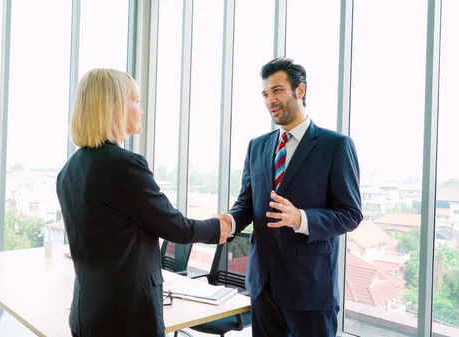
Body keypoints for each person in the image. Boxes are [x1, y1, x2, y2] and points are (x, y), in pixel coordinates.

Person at [56, 68, 231, 337]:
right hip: (127, 319)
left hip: (86, 313)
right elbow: (177, 228)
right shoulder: (124, 165)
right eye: (135, 101)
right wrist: (219, 228)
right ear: (113, 106)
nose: (141, 110)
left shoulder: (68, 171)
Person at [218, 58, 363, 337]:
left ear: (300, 90)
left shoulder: (336, 146)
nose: (270, 100)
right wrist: (231, 221)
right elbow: (246, 204)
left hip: (309, 290)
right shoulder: (257, 146)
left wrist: (302, 218)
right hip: (263, 286)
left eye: (277, 90)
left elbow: (350, 214)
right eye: (265, 94)